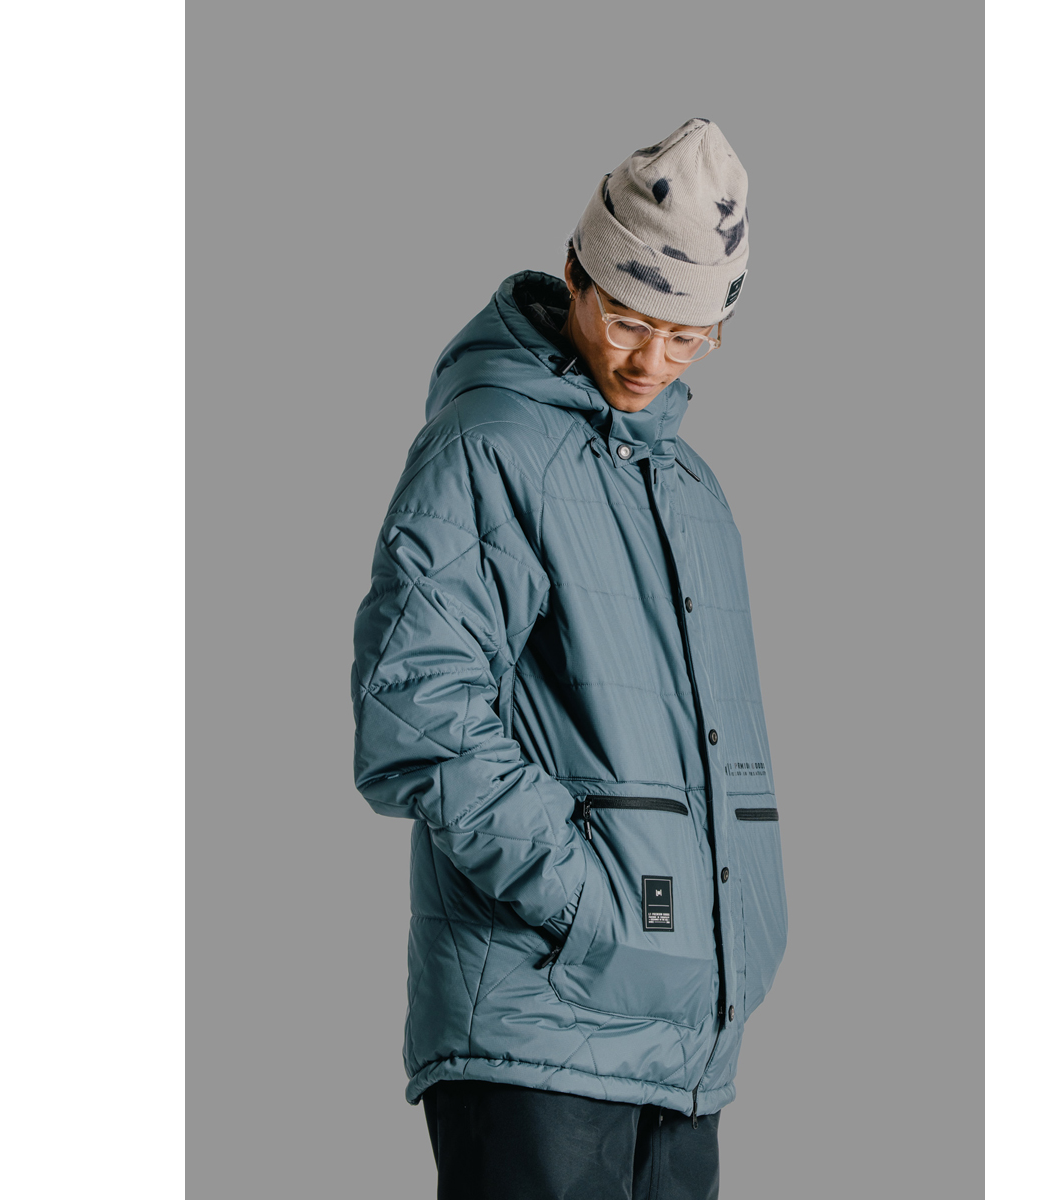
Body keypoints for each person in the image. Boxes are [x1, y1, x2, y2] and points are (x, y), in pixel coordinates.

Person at [351, 118, 787, 1199]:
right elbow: (415, 716)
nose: (650, 363)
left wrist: (725, 936)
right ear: (575, 274)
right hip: (538, 1016)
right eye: (629, 321)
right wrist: (597, 903)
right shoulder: (489, 446)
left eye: (686, 337)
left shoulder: (689, 490)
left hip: (685, 1033)